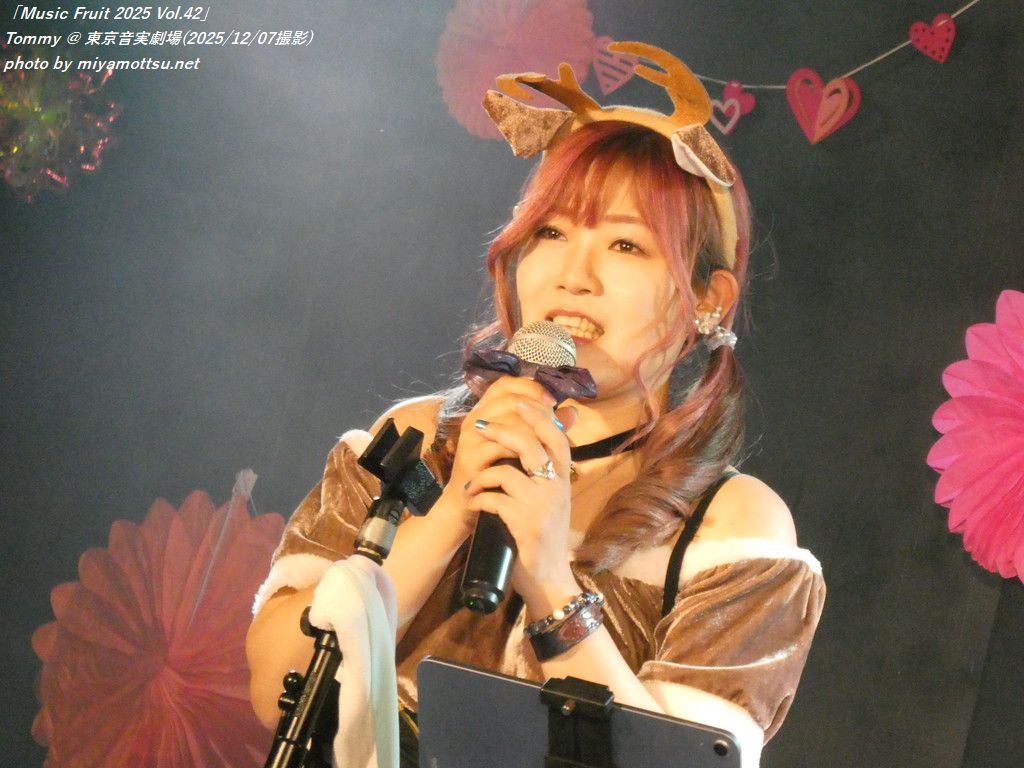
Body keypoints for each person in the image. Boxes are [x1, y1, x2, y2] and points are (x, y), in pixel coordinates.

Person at [246, 43, 825, 768]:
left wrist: (551, 582)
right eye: (551, 233)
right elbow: (276, 693)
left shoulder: (728, 525)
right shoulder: (413, 442)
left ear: (708, 299)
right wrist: (452, 513)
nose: (573, 275)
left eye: (626, 245)